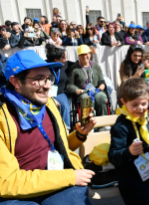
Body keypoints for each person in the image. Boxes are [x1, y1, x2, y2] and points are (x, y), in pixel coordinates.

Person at [0, 50, 96, 204]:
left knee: (77, 198)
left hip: (56, 184)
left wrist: (79, 135)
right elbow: (6, 181)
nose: (47, 86)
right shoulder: (3, 118)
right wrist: (70, 176)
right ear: (16, 82)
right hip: (16, 195)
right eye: (39, 79)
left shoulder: (49, 105)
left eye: (49, 78)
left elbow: (60, 146)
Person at [66, 45, 108, 117]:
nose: (84, 56)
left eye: (86, 54)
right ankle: (86, 123)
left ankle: (102, 123)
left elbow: (101, 80)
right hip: (83, 92)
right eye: (82, 54)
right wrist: (76, 90)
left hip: (95, 91)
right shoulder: (74, 69)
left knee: (101, 97)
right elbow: (69, 85)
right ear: (79, 56)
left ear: (90, 54)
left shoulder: (96, 67)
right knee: (85, 99)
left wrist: (102, 85)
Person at [46, 44, 74, 130]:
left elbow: (82, 64)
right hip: (47, 93)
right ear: (56, 60)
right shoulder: (45, 66)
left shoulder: (67, 64)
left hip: (60, 93)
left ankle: (66, 129)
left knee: (65, 106)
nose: (66, 59)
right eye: (64, 58)